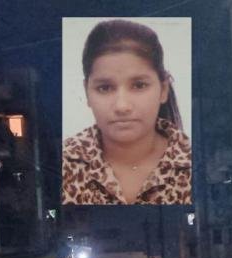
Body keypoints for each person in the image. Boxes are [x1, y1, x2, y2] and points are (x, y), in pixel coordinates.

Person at [61, 19, 191, 205]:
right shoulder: (65, 163)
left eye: (139, 85)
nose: (122, 106)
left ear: (163, 90)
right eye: (105, 88)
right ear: (86, 92)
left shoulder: (192, 163)